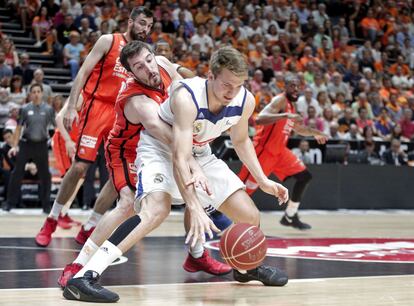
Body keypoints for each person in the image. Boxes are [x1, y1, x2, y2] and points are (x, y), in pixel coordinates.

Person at [63, 46, 289, 303]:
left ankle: (247, 267)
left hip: (200, 151)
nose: (232, 92)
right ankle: (83, 277)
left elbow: (241, 141)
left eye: (238, 85)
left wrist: (262, 180)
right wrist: (195, 206)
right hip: (159, 150)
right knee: (155, 211)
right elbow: (179, 157)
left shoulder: (244, 99)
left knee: (249, 213)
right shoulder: (187, 97)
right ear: (211, 76)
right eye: (227, 85)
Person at [58, 41, 230, 288]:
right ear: (131, 73)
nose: (148, 68)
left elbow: (184, 74)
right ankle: (77, 265)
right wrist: (195, 162)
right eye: (139, 67)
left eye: (149, 60)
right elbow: (168, 137)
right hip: (127, 150)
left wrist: (207, 86)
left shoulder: (161, 64)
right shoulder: (136, 99)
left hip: (159, 145)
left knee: (195, 189)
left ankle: (197, 255)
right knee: (128, 204)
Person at [35, 6, 154, 247]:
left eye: (150, 26)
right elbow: (83, 72)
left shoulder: (144, 54)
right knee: (79, 167)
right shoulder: (108, 40)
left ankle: (90, 226)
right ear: (130, 21)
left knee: (117, 176)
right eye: (142, 23)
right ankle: (52, 219)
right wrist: (70, 106)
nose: (145, 29)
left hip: (123, 113)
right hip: (97, 107)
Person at [238, 77, 328, 230]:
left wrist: (314, 132)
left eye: (297, 87)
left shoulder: (291, 107)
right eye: (292, 85)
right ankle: (218, 217)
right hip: (263, 152)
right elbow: (259, 119)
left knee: (304, 176)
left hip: (280, 152)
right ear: (285, 87)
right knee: (243, 191)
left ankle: (290, 216)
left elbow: (299, 129)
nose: (295, 89)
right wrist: (285, 115)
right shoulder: (279, 101)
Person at [4, 84, 55, 212]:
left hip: (42, 145)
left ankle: (46, 206)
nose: (36, 94)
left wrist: (56, 143)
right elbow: (19, 128)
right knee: (16, 174)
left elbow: (56, 127)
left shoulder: (49, 109)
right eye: (34, 92)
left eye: (38, 91)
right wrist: (15, 146)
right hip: (26, 144)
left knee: (45, 176)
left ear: (42, 93)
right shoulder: (25, 109)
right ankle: (9, 203)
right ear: (30, 94)